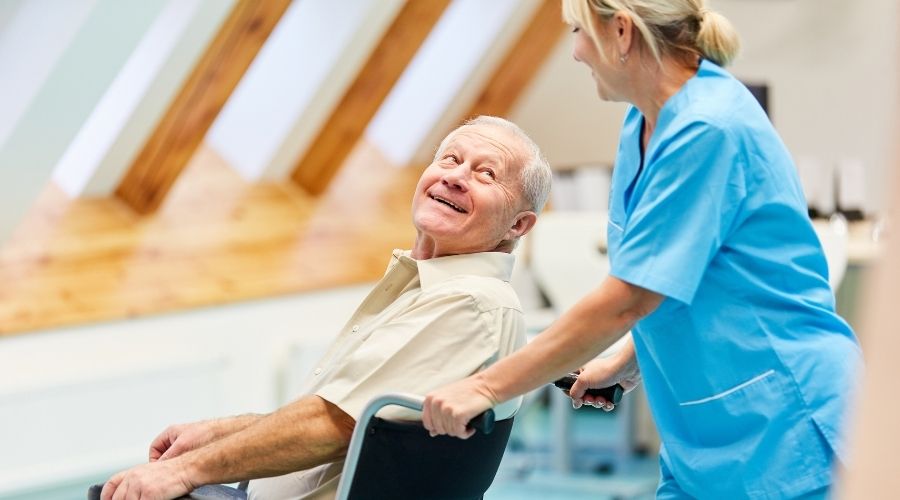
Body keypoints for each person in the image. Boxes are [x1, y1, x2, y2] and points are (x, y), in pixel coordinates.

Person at [422, 1, 862, 498]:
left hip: (784, 424)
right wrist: (631, 354)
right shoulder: (644, 123)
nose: (575, 52)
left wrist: (485, 387)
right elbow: (677, 269)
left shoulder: (709, 129)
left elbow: (628, 297)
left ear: (623, 32)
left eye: (578, 31)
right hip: (701, 433)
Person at [99, 115, 552, 500]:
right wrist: (223, 433)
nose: (455, 176)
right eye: (450, 159)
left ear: (519, 223)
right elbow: (363, 423)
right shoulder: (430, 291)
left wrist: (183, 471)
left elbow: (333, 423)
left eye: (486, 174)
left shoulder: (471, 303)